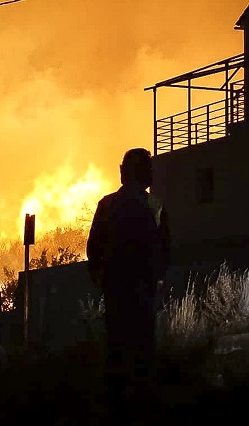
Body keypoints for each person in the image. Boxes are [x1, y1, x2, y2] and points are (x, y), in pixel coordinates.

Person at [86, 147, 170, 421]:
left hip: (116, 290)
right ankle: (142, 407)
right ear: (144, 173)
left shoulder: (107, 205)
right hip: (143, 291)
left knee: (117, 348)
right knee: (143, 349)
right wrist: (156, 278)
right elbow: (165, 249)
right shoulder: (154, 206)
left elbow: (93, 248)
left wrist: (100, 276)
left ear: (124, 172)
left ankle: (116, 407)